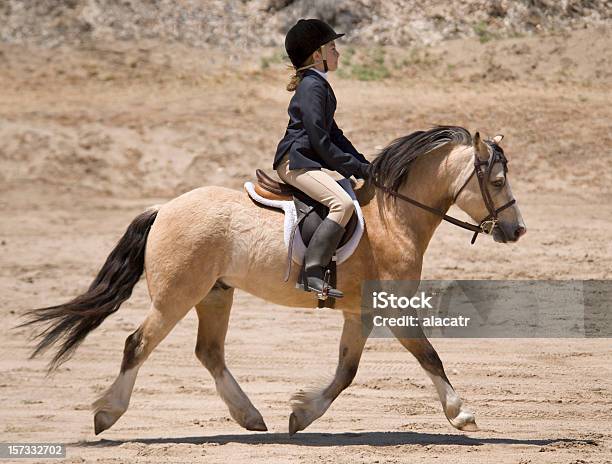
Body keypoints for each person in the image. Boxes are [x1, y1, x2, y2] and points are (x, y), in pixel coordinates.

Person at [272, 18, 371, 299]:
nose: (337, 52)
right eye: (332, 46)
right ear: (318, 55)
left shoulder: (318, 84)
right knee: (341, 204)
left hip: (304, 159)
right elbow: (319, 139)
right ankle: (312, 272)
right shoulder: (314, 87)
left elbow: (335, 134)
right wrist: (353, 167)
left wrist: (364, 164)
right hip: (296, 161)